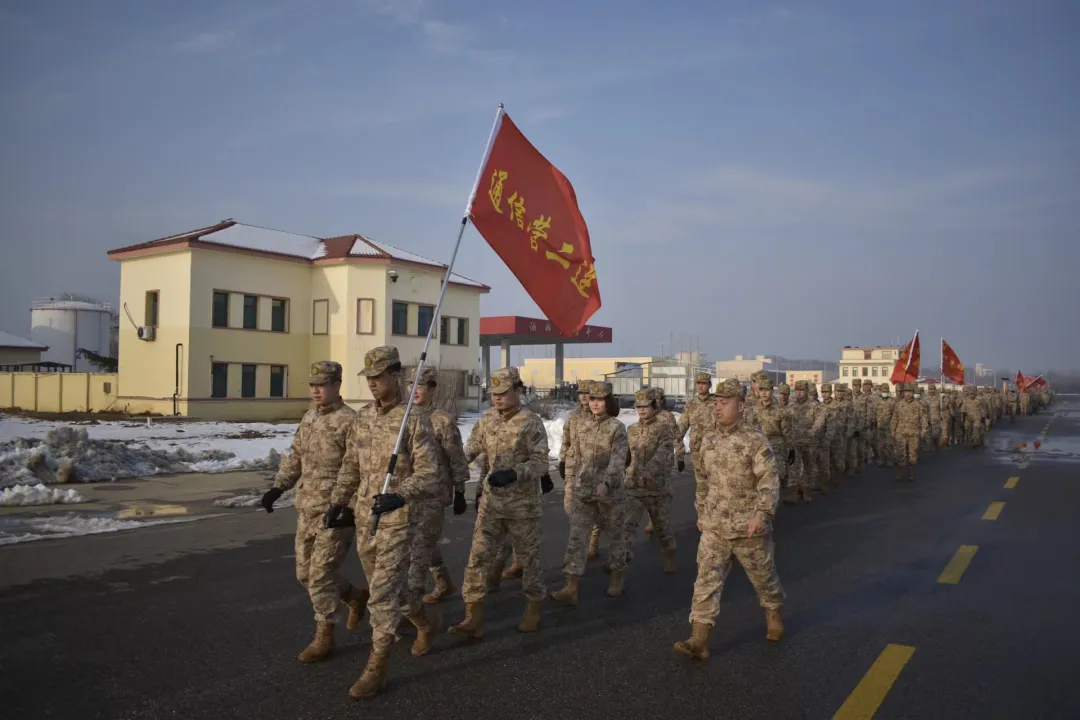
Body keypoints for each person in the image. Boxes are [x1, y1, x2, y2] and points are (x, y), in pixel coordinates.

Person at [326, 346, 440, 700]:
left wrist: (401, 493)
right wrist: (338, 502)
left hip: (399, 518)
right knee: (392, 591)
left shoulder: (414, 418)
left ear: (395, 376)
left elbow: (430, 473)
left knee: (380, 595)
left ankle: (376, 666)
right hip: (366, 517)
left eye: (379, 377)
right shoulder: (363, 418)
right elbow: (351, 465)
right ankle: (423, 620)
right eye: (369, 378)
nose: (373, 384)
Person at [674, 379, 784, 662]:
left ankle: (772, 609)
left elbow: (769, 480)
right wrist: (701, 511)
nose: (718, 407)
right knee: (705, 581)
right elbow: (702, 480)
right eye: (716, 403)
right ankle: (699, 637)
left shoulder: (755, 441)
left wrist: (762, 513)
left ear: (742, 405)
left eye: (725, 403)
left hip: (749, 527)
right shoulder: (708, 440)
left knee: (764, 578)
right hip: (715, 526)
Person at [261, 361, 365, 663]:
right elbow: (295, 457)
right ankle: (354, 597)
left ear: (337, 385)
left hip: (336, 511)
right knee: (305, 573)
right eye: (313, 385)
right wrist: (278, 488)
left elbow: (361, 468)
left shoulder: (351, 422)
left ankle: (325, 636)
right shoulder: (309, 418)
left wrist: (350, 507)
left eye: (323, 384)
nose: (316, 390)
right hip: (307, 507)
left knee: (320, 574)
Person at [449, 366, 550, 638]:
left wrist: (515, 473)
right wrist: (451, 471)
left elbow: (541, 463)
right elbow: (471, 449)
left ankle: (533, 607)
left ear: (518, 391)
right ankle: (473, 616)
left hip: (523, 506)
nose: (497, 398)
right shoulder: (488, 419)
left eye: (504, 393)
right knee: (478, 556)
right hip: (491, 504)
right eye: (494, 394)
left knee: (529, 560)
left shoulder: (531, 422)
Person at [551, 382, 631, 603]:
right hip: (584, 490)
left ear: (609, 402)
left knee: (615, 536)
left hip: (610, 493)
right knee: (577, 537)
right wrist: (569, 471)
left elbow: (618, 460)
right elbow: (575, 454)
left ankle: (616, 577)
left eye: (600, 399)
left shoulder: (617, 428)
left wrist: (607, 483)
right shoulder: (582, 425)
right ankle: (571, 586)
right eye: (592, 399)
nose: (595, 403)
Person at [402, 367, 471, 606]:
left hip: (433, 493)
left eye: (420, 386)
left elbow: (456, 456)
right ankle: (443, 581)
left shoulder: (441, 420)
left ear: (432, 389)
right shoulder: (402, 417)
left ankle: (414, 608)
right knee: (418, 543)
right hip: (406, 492)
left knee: (419, 549)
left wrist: (460, 490)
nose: (414, 390)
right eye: (411, 385)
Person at [622, 388, 677, 574]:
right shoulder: (631, 430)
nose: (642, 410)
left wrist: (649, 471)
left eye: (645, 406)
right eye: (638, 407)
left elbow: (664, 453)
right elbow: (625, 455)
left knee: (662, 529)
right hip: (634, 487)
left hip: (657, 488)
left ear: (654, 406)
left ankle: (669, 555)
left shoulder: (663, 429)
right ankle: (619, 569)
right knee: (627, 528)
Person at [890, 383, 928, 481]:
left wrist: (924, 429)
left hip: (913, 433)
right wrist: (893, 430)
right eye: (906, 392)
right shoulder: (899, 404)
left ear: (913, 393)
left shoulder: (918, 405)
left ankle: (911, 473)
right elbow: (894, 418)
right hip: (901, 433)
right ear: (903, 393)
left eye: (910, 392)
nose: (908, 394)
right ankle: (900, 472)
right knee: (900, 454)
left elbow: (923, 418)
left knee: (913, 454)